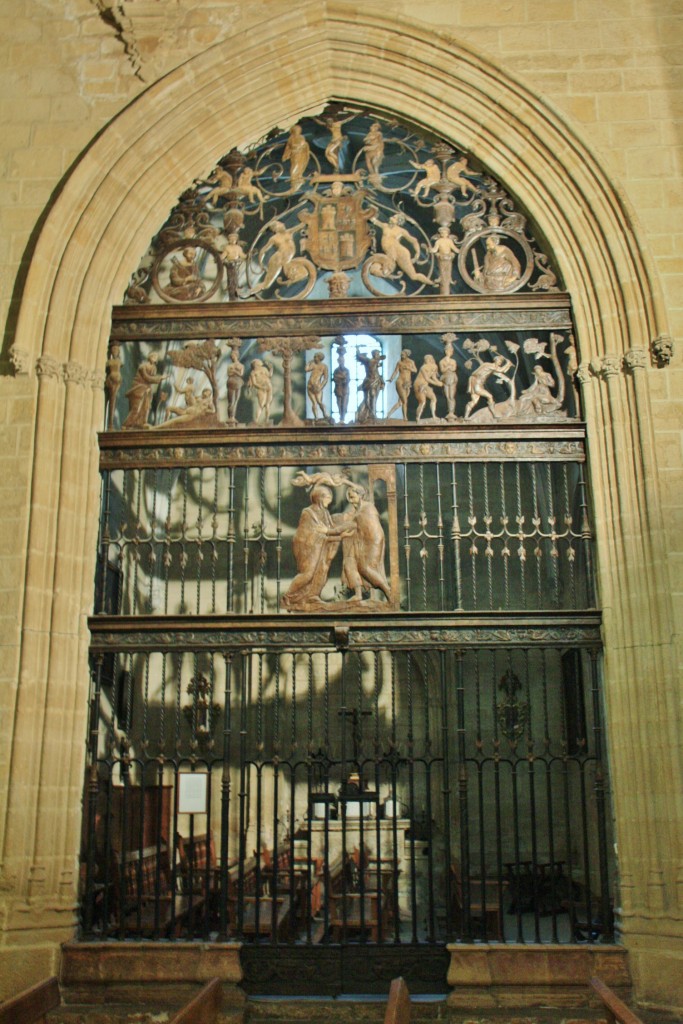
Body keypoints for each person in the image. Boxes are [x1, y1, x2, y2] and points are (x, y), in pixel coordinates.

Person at [283, 484, 353, 610]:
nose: (329, 502)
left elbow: (329, 530)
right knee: (308, 574)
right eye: (327, 498)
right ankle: (288, 596)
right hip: (308, 548)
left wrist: (340, 535)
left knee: (322, 571)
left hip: (320, 547)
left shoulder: (325, 512)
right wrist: (334, 535)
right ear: (319, 498)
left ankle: (313, 595)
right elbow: (306, 534)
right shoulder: (308, 513)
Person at [339, 485, 391, 602]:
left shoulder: (367, 508)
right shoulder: (357, 510)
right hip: (360, 540)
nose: (350, 495)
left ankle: (387, 591)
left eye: (353, 493)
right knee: (350, 564)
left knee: (366, 568)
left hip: (372, 541)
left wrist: (328, 531)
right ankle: (358, 594)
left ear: (361, 495)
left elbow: (371, 528)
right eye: (349, 494)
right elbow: (349, 524)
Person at [122, 351, 166, 429]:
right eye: (153, 357)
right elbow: (147, 378)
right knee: (136, 408)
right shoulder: (142, 366)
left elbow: (150, 379)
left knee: (146, 408)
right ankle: (126, 425)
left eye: (156, 358)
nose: (154, 359)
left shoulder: (154, 368)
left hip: (147, 390)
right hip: (138, 388)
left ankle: (142, 423)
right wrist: (160, 378)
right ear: (149, 357)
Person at [464, 354, 514, 419]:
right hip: (477, 385)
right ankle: (494, 415)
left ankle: (466, 417)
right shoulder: (490, 365)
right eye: (499, 361)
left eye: (501, 362)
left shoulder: (490, 367)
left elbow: (502, 371)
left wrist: (509, 365)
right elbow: (500, 370)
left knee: (474, 401)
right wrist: (507, 364)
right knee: (490, 396)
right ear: (495, 360)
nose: (500, 363)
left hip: (478, 384)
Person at [386, 349, 417, 420]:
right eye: (401, 355)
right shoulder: (399, 363)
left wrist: (409, 368)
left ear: (407, 354)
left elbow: (415, 370)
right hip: (400, 382)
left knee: (400, 402)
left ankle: (389, 414)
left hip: (408, 383)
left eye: (403, 354)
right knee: (405, 401)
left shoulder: (411, 362)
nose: (401, 356)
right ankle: (405, 417)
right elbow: (396, 371)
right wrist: (391, 379)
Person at [356, 348, 385, 422]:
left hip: (376, 381)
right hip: (369, 381)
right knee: (369, 398)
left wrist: (382, 382)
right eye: (377, 354)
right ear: (374, 355)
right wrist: (358, 350)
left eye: (378, 354)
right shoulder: (369, 361)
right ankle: (368, 414)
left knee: (374, 398)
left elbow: (377, 373)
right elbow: (360, 357)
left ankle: (371, 414)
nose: (378, 356)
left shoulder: (375, 362)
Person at [413, 354, 443, 420]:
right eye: (426, 359)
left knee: (434, 398)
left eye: (428, 359)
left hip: (425, 385)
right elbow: (427, 378)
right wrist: (437, 384)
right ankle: (418, 418)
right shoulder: (423, 367)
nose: (427, 360)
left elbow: (434, 377)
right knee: (422, 402)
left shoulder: (435, 366)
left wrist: (439, 382)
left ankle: (434, 416)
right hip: (419, 384)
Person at [246, 359, 274, 424]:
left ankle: (267, 419)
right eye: (258, 362)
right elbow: (254, 383)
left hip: (268, 386)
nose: (260, 363)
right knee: (261, 404)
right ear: (255, 364)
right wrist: (261, 387)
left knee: (267, 404)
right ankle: (256, 420)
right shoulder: (253, 372)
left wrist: (271, 369)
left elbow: (269, 375)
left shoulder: (264, 369)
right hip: (261, 388)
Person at [282, 124, 311, 188]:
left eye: (299, 130)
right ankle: (293, 178)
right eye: (296, 130)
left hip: (302, 153)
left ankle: (299, 176)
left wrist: (305, 146)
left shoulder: (302, 137)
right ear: (294, 130)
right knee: (295, 165)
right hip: (295, 153)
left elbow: (304, 144)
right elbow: (289, 146)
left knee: (301, 165)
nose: (298, 131)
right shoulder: (291, 138)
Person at [439, 337, 458, 420]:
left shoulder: (453, 361)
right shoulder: (442, 361)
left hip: (452, 377)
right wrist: (448, 367)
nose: (449, 352)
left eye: (451, 351)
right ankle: (449, 412)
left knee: (451, 396)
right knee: (447, 396)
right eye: (448, 350)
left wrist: (448, 367)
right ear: (445, 351)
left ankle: (451, 412)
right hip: (445, 377)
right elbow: (442, 370)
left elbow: (454, 369)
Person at [306, 352, 329, 420]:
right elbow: (306, 369)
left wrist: (321, 386)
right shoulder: (313, 365)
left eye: (316, 357)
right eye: (314, 357)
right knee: (314, 403)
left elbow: (325, 378)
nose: (314, 358)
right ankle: (316, 417)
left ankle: (324, 414)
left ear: (320, 358)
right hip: (310, 386)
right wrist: (308, 363)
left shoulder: (324, 366)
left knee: (319, 402)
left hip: (318, 386)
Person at [104, 343, 122, 429]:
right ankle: (109, 424)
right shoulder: (109, 362)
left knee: (114, 401)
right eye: (113, 350)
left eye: (116, 350)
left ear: (119, 352)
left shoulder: (119, 362)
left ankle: (111, 423)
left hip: (117, 382)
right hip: (111, 381)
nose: (114, 351)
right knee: (111, 400)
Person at [225, 345, 245, 423]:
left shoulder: (241, 365)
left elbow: (241, 374)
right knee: (231, 401)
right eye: (231, 356)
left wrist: (234, 371)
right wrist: (235, 371)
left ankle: (233, 416)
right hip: (231, 381)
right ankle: (230, 417)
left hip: (238, 382)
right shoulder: (230, 365)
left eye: (233, 355)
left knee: (236, 400)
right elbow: (229, 373)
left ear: (236, 356)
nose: (232, 357)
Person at [332, 348, 350, 422]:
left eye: (342, 361)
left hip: (345, 389)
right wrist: (342, 377)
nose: (341, 362)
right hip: (338, 389)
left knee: (344, 403)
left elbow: (348, 379)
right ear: (338, 362)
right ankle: (340, 416)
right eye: (340, 361)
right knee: (339, 403)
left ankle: (343, 417)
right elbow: (335, 378)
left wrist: (341, 377)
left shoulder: (347, 370)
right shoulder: (336, 370)